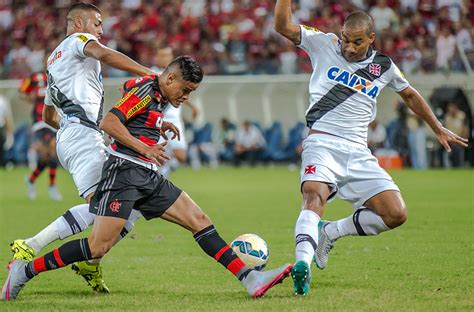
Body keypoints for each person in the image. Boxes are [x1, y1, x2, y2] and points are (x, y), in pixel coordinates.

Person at [1, 56, 293, 300]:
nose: (187, 96)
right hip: (124, 174)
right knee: (97, 247)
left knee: (200, 220)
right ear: (169, 79)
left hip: (148, 176)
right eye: (186, 89)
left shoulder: (158, 94)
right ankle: (25, 271)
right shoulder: (145, 89)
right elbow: (110, 122)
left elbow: (137, 115)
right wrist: (146, 147)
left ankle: (249, 278)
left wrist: (158, 123)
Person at [274, 2, 469, 296]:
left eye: (357, 42)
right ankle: (303, 265)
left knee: (395, 214)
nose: (349, 48)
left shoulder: (384, 66)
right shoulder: (323, 44)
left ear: (371, 39)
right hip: (322, 141)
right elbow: (282, 26)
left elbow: (410, 95)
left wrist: (438, 127)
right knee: (314, 194)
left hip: (358, 151)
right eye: (345, 39)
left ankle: (331, 231)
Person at [8, 2, 156, 293]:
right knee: (107, 205)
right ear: (78, 24)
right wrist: (149, 74)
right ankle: (32, 245)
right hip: (83, 136)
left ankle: (92, 262)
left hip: (74, 135)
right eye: (97, 23)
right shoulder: (79, 41)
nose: (101, 29)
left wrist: (69, 128)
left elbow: (47, 115)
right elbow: (103, 53)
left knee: (126, 204)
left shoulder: (53, 62)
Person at [151, 46, 199, 178]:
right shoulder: (153, 72)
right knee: (159, 154)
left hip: (175, 119)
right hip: (159, 119)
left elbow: (180, 91)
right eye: (162, 55)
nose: (165, 58)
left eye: (167, 56)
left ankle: (165, 169)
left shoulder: (178, 75)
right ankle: (160, 178)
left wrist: (192, 106)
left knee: (181, 155)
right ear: (157, 57)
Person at [19, 65, 62, 201]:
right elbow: (22, 91)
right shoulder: (34, 76)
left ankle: (32, 180)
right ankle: (52, 186)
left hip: (52, 118)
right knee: (47, 153)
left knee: (49, 155)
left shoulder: (59, 74)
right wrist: (30, 98)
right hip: (38, 119)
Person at [0, 94, 14, 167]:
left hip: (1, 127)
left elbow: (7, 117)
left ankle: (2, 163)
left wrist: (10, 132)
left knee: (2, 148)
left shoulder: (2, 101)